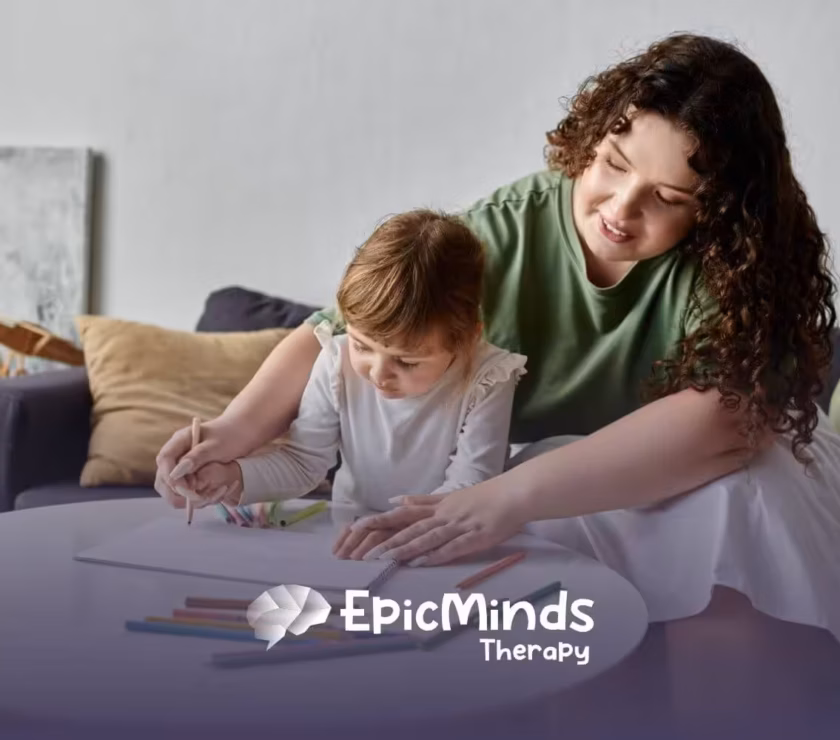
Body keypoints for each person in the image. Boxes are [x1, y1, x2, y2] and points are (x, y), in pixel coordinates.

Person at [156, 33, 840, 724]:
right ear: (592, 139)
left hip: (676, 476)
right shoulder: (510, 227)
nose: (619, 209)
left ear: (718, 212)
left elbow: (724, 423)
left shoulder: (731, 267)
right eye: (611, 164)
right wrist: (231, 433)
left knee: (742, 500)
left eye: (665, 197)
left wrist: (505, 498)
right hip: (558, 477)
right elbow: (335, 332)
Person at [165, 209, 527, 548]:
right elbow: (303, 462)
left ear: (466, 341)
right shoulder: (336, 360)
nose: (378, 374)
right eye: (362, 345)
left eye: (407, 361)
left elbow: (471, 486)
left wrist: (405, 526)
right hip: (350, 538)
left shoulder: (489, 376)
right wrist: (231, 478)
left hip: (440, 538)